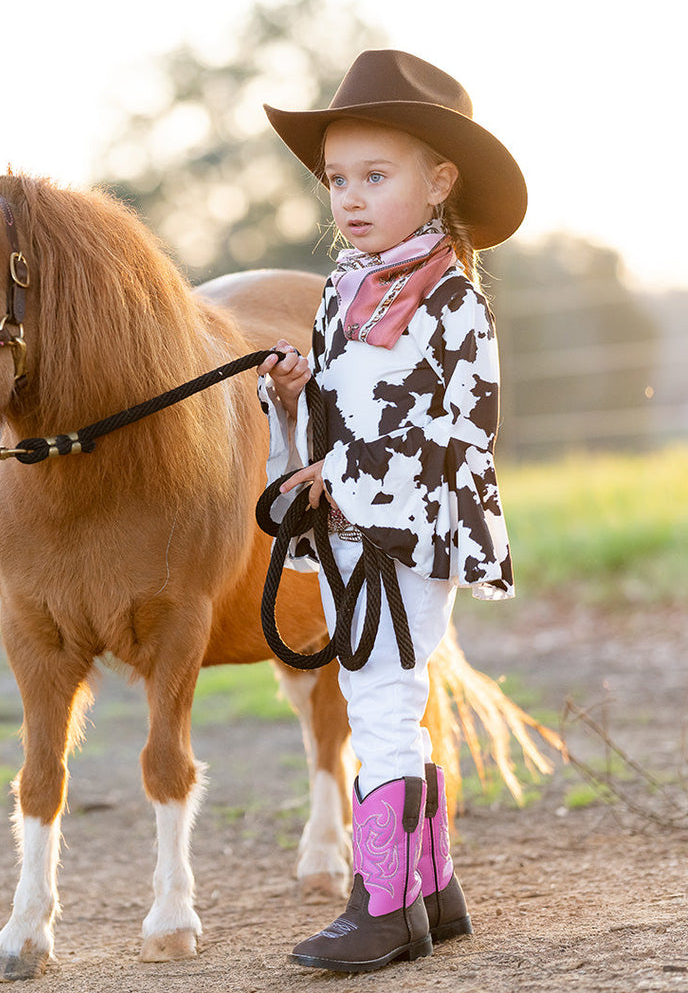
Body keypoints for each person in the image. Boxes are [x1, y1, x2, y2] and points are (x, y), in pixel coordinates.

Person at [256, 49, 526, 973]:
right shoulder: (339, 294)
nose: (352, 199)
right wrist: (294, 405)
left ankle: (381, 904)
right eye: (339, 180)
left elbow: (461, 429)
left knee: (379, 700)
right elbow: (337, 411)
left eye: (376, 177)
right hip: (348, 531)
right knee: (390, 699)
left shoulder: (454, 302)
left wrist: (351, 473)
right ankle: (432, 891)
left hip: (415, 528)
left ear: (439, 181)